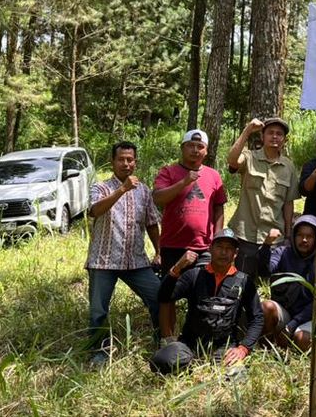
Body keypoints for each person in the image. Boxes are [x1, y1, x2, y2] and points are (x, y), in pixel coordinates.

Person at [85, 141, 163, 365]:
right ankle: (100, 352)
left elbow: (151, 223)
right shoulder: (100, 187)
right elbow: (95, 210)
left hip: (135, 261)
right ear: (113, 162)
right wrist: (122, 189)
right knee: (98, 310)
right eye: (121, 159)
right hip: (103, 260)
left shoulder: (144, 190)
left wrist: (158, 251)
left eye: (130, 160)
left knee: (158, 298)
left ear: (135, 162)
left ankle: (161, 341)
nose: (126, 164)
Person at [150, 229, 263, 375]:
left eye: (229, 249)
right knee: (161, 361)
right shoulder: (194, 275)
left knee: (238, 378)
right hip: (190, 344)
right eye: (219, 247)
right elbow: (164, 297)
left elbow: (257, 317)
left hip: (224, 347)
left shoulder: (244, 281)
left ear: (235, 254)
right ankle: (192, 367)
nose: (224, 252)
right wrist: (177, 268)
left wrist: (243, 348)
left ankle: (208, 368)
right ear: (210, 249)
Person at [152, 130, 227, 283]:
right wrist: (184, 182)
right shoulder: (168, 171)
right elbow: (158, 198)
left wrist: (217, 238)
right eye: (190, 145)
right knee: (169, 291)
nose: (195, 150)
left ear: (206, 151)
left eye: (200, 146)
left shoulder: (213, 175)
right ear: (182, 148)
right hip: (172, 245)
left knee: (202, 289)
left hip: (204, 247)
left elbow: (219, 207)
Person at [226, 117, 298, 277]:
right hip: (246, 235)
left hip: (274, 237)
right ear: (262, 137)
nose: (274, 136)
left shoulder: (289, 167)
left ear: (284, 140)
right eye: (270, 133)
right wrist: (247, 131)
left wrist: (287, 235)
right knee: (241, 283)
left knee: (268, 284)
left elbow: (288, 203)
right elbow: (231, 160)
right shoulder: (249, 157)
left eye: (279, 134)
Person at [259, 215, 316, 351]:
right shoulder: (283, 252)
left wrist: (292, 325)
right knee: (266, 307)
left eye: (309, 236)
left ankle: (290, 351)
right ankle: (267, 349)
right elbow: (266, 270)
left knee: (302, 339)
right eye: (300, 235)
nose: (304, 240)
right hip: (286, 311)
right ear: (293, 236)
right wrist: (266, 245)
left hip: (308, 316)